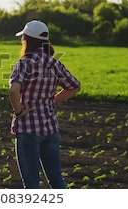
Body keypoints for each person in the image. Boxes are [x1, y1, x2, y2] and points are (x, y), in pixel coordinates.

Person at [9, 20, 80, 189]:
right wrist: (51, 101)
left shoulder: (24, 64)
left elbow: (13, 90)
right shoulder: (54, 63)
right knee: (56, 179)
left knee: (32, 183)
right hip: (50, 129)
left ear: (26, 39)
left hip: (28, 130)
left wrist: (18, 112)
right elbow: (74, 86)